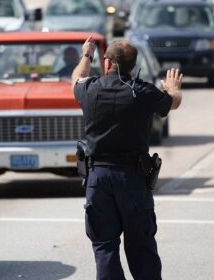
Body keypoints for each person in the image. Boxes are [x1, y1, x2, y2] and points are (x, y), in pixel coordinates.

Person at [72, 37, 183, 280]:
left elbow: (75, 80)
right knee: (141, 247)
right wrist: (173, 87)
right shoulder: (142, 91)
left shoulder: (89, 89)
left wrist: (86, 55)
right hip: (132, 178)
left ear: (107, 62)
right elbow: (172, 103)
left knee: (104, 248)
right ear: (133, 66)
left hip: (98, 179)